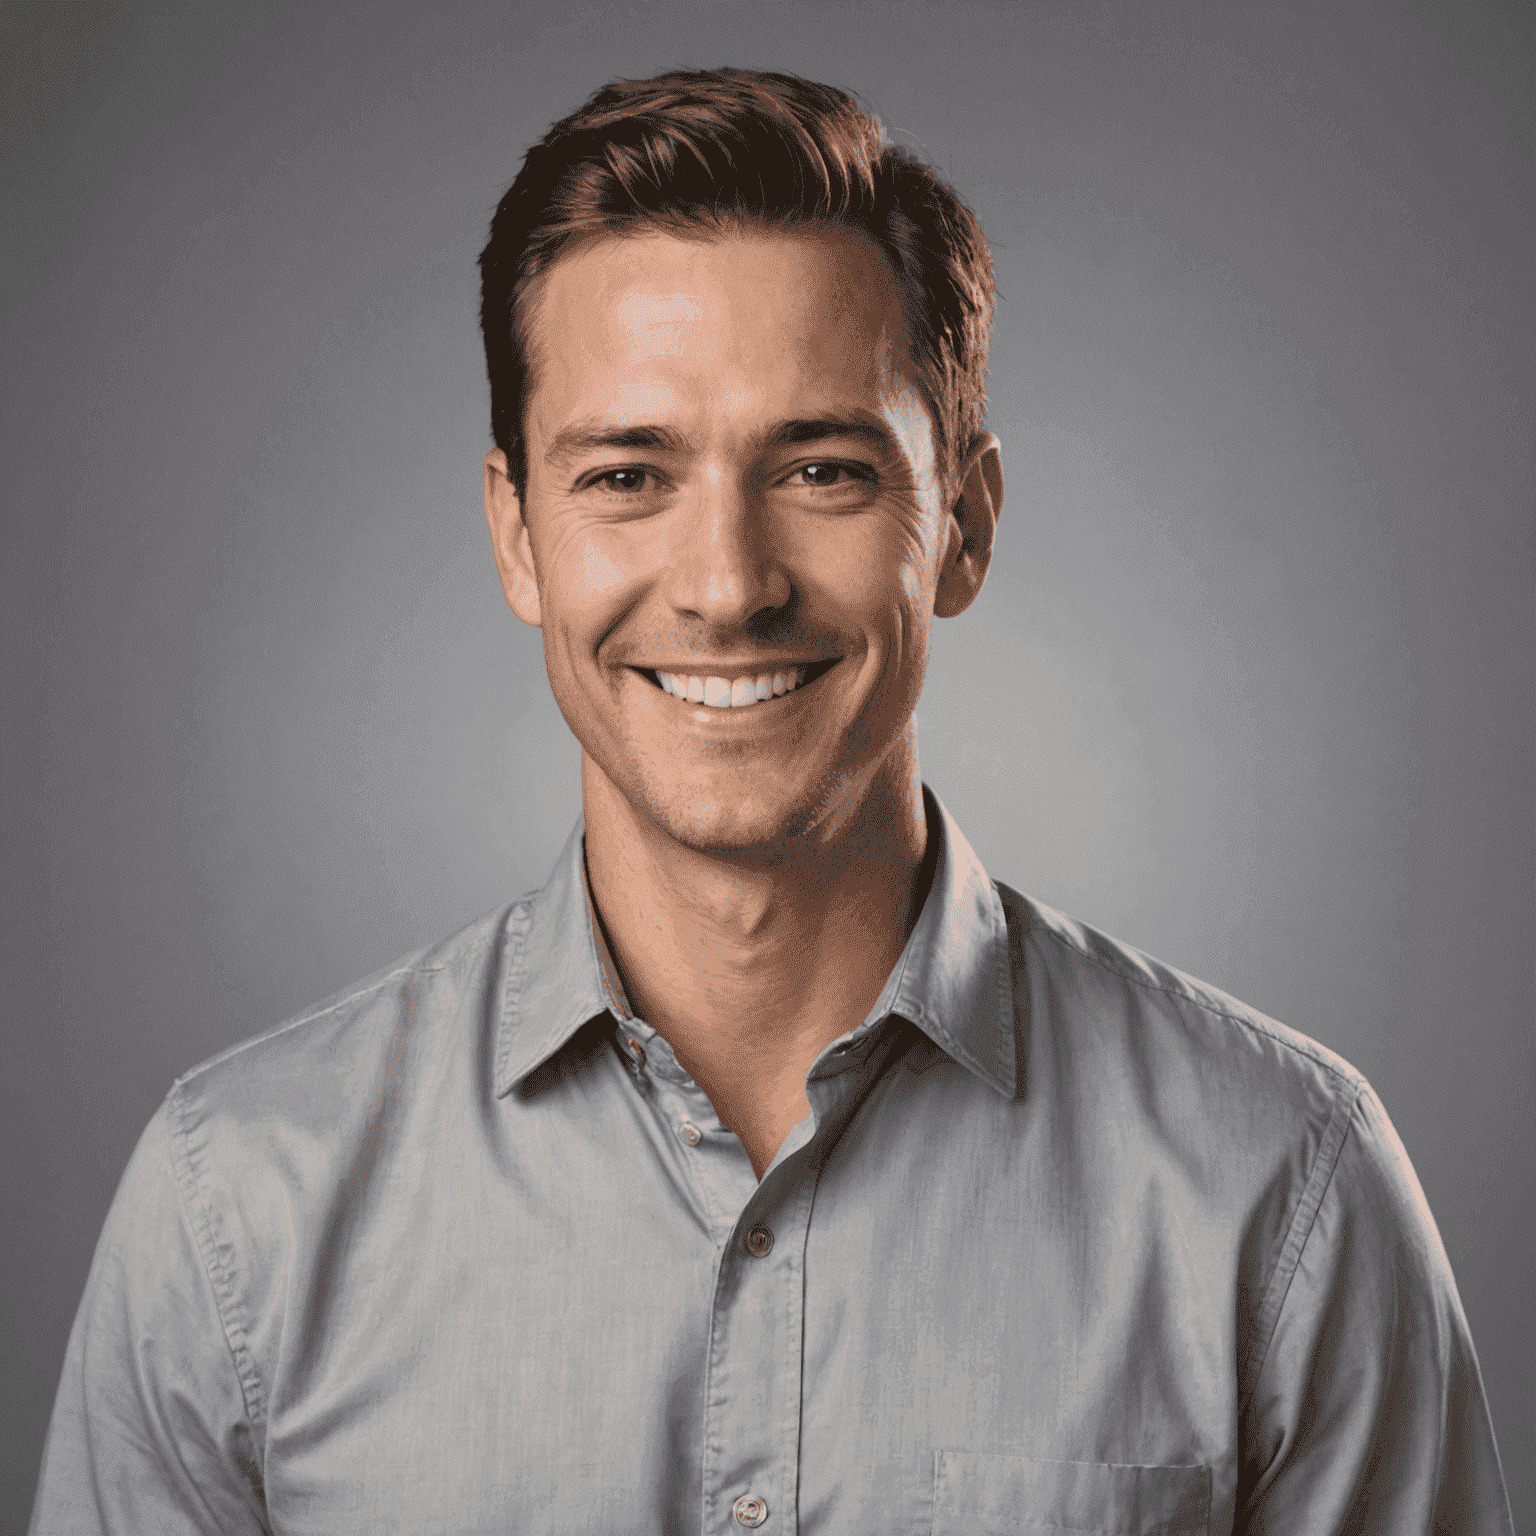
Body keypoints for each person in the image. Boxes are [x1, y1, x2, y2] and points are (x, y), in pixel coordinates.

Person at [30, 67, 1513, 1536]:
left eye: (821, 468)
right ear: (518, 536)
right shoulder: (236, 1212)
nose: (729, 586)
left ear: (966, 528)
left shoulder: (1283, 1188)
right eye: (626, 476)